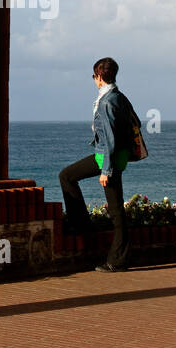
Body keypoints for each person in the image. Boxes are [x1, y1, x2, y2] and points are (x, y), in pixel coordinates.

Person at [59, 57, 142, 273]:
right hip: (114, 156)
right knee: (68, 176)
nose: (94, 80)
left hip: (108, 159)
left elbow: (110, 139)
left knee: (115, 210)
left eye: (94, 76)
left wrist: (106, 170)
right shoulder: (118, 97)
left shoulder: (106, 102)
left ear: (100, 76)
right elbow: (136, 122)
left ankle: (117, 260)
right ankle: (82, 225)